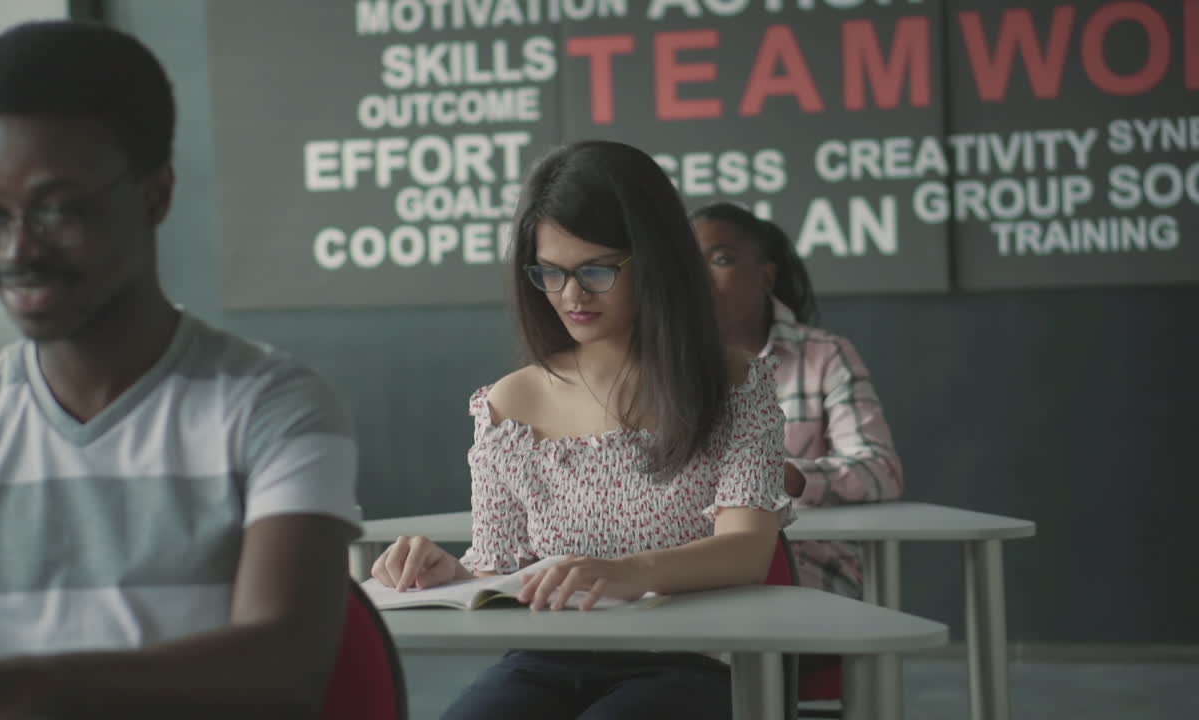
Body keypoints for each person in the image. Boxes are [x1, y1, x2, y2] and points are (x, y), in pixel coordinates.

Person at [0, 21, 361, 719]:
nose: (19, 248)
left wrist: (12, 690)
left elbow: (282, 668)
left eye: (60, 209)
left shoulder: (273, 406)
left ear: (157, 194)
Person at [371, 140, 793, 720]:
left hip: (691, 660)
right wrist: (446, 575)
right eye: (550, 272)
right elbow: (498, 571)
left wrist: (627, 572)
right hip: (545, 658)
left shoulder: (736, 385)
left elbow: (746, 551)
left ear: (656, 260)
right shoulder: (509, 403)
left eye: (596, 270)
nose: (572, 295)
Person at [691, 202, 903, 600]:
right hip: (689, 564)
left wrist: (786, 476)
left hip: (807, 563)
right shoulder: (660, 366)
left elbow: (881, 470)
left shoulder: (824, 355)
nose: (698, 277)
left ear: (765, 277)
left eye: (721, 260)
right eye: (687, 263)